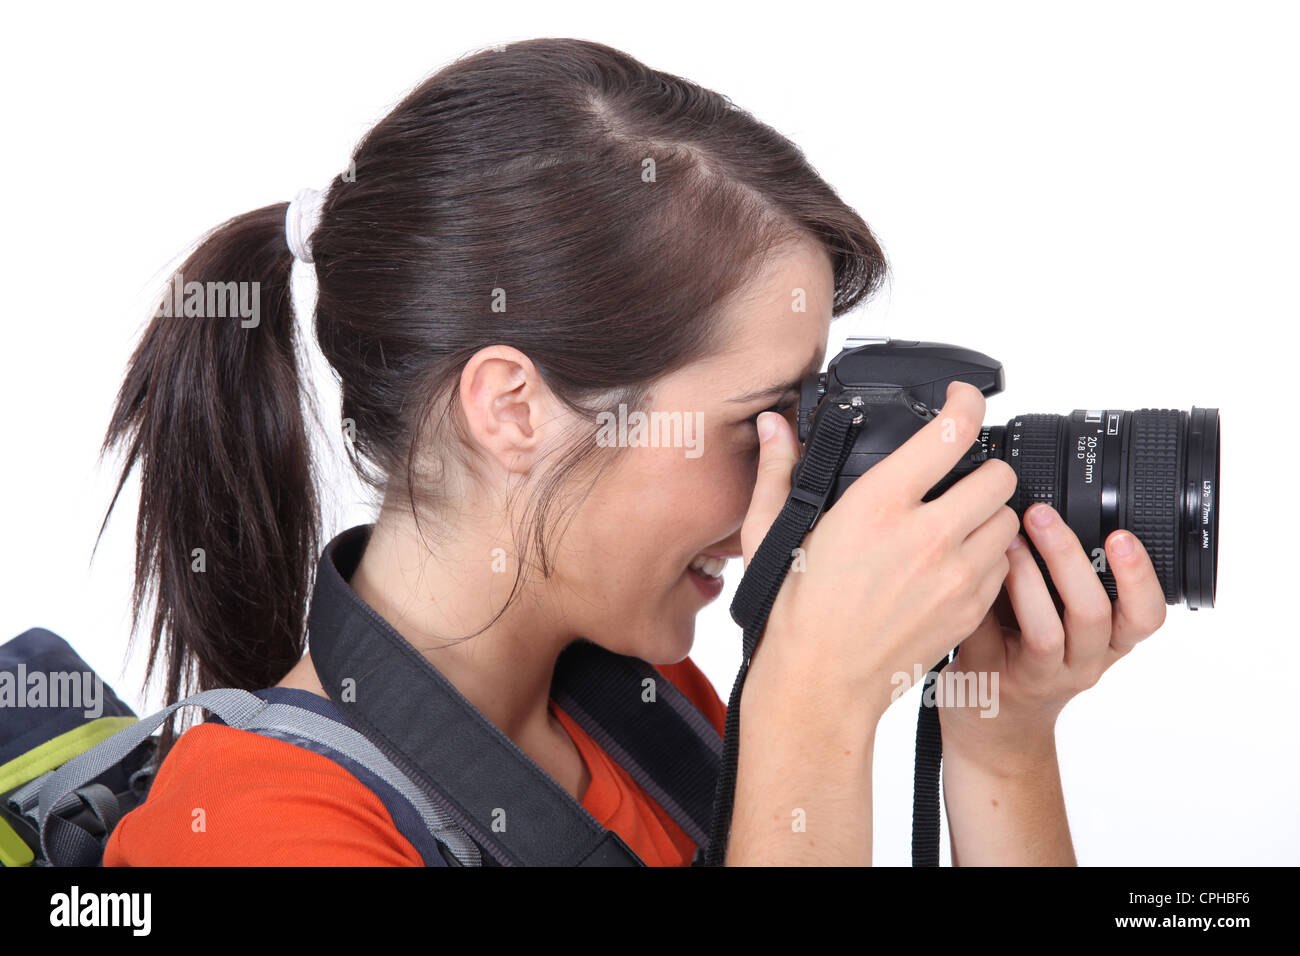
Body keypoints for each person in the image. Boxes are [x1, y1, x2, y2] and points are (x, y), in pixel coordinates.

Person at [98, 38, 1168, 866]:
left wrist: (999, 740)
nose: (790, 476)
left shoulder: (649, 715)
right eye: (758, 420)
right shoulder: (256, 827)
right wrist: (811, 699)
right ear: (513, 409)